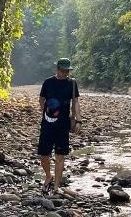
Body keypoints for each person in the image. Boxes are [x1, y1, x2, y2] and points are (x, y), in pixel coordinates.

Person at [38, 57, 81, 193]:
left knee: (60, 156)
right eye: (63, 70)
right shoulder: (48, 82)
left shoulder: (72, 84)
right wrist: (46, 112)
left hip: (63, 125)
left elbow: (75, 102)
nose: (65, 73)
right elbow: (41, 99)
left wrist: (78, 120)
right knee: (44, 155)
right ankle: (48, 176)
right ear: (57, 69)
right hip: (47, 124)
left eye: (67, 71)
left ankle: (56, 186)